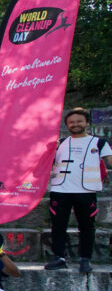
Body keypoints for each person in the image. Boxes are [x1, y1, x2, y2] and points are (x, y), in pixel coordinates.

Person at [45, 108, 112, 273]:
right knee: (58, 226)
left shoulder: (99, 143)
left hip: (86, 192)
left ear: (87, 123)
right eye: (71, 122)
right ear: (67, 125)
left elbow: (110, 161)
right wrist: (50, 149)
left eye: (79, 121)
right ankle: (59, 258)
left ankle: (85, 259)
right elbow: (44, 164)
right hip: (60, 190)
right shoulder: (60, 143)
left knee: (87, 227)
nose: (75, 124)